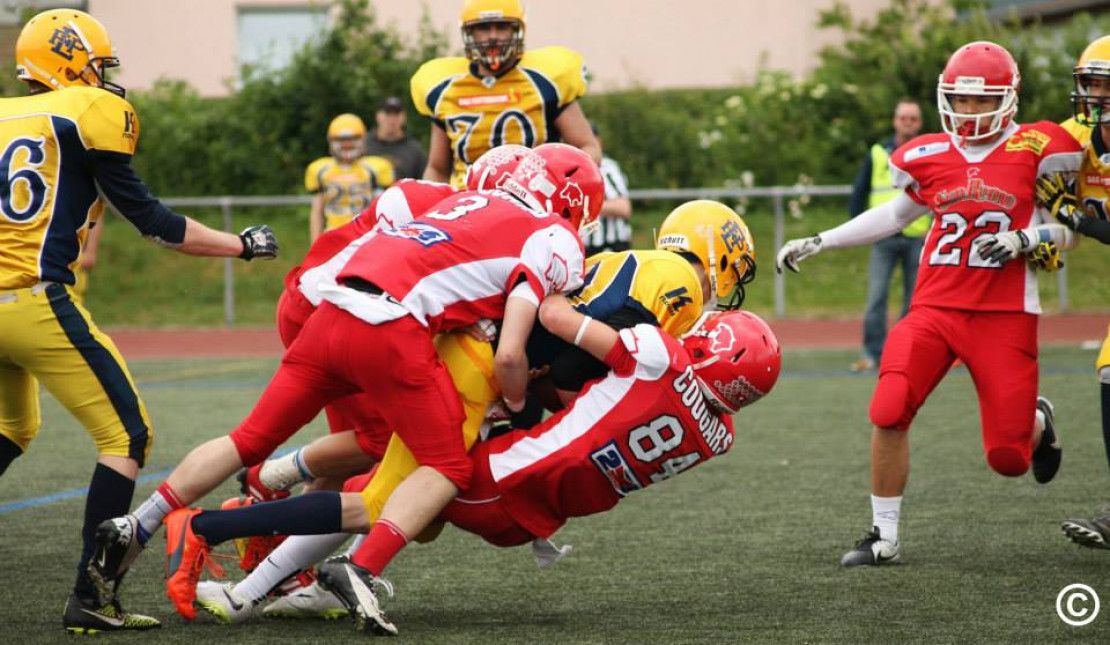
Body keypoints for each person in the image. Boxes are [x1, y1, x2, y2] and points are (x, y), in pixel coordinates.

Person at [89, 143, 604, 624]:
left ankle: (140, 522)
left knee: (247, 438)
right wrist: (514, 400)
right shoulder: (550, 234)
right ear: (571, 204)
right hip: (391, 329)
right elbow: (509, 351)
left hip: (328, 311)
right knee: (446, 466)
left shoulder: (448, 200)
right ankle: (356, 568)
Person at [187, 308, 780, 635]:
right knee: (394, 509)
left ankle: (229, 547)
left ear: (709, 347)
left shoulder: (657, 354)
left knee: (368, 500)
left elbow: (556, 313)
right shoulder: (719, 436)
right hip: (534, 515)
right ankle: (295, 586)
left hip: (501, 477)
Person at [0, 9, 278, 634]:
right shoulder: (87, 112)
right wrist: (242, 245)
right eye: (95, 65)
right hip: (34, 299)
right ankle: (91, 595)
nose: (103, 77)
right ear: (71, 61)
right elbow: (156, 223)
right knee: (127, 436)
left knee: (13, 427)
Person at [775, 41, 1082, 566]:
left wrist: (1026, 239)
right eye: (960, 99)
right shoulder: (930, 153)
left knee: (1008, 459)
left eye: (981, 100)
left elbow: (1072, 230)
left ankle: (1036, 423)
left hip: (1004, 314)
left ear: (1007, 100)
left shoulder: (1038, 147)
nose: (969, 110)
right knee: (889, 406)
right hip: (934, 308)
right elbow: (894, 215)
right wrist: (822, 240)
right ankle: (884, 536)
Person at [412, 0, 601, 187]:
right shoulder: (445, 87)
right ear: (469, 33)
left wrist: (557, 182)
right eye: (483, 28)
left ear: (516, 30)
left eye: (502, 27)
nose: (493, 37)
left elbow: (587, 147)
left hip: (532, 198)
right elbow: (437, 169)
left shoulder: (545, 79)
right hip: (467, 198)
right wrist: (431, 198)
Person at [1048, 36, 1110, 550]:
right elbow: (1026, 171)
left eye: (1108, 86)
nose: (1097, 95)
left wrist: (1070, 215)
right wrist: (1036, 235)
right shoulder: (1072, 137)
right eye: (1092, 83)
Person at [847, 100, 930, 372]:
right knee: (876, 297)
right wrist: (856, 230)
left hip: (917, 237)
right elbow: (859, 191)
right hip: (884, 236)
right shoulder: (878, 152)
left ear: (919, 123)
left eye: (913, 118)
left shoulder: (929, 151)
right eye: (904, 117)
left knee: (915, 301)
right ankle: (872, 353)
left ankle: (905, 352)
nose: (908, 123)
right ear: (895, 121)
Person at [305, 113, 395, 242]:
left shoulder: (377, 168)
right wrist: (315, 244)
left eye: (353, 139)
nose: (347, 145)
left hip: (366, 236)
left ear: (363, 139)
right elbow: (317, 212)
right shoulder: (320, 169)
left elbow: (386, 210)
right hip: (333, 235)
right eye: (341, 140)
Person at [584, 122, 633, 256]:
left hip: (610, 245)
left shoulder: (608, 168)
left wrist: (584, 207)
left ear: (599, 141)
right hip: (585, 246)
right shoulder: (571, 169)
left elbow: (623, 207)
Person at [364, 96, 427, 180]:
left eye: (396, 114)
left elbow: (423, 181)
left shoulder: (415, 150)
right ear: (378, 116)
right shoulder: (364, 144)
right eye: (387, 114)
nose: (392, 119)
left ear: (404, 117)